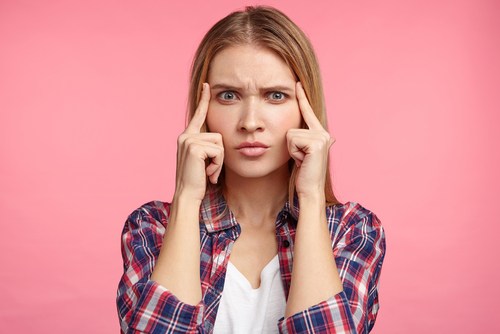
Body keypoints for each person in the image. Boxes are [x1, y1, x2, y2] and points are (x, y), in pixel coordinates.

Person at [117, 6, 386, 334]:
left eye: (276, 96)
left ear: (306, 110)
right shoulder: (151, 229)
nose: (250, 123)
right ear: (203, 109)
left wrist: (312, 198)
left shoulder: (353, 231)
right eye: (228, 96)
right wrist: (187, 198)